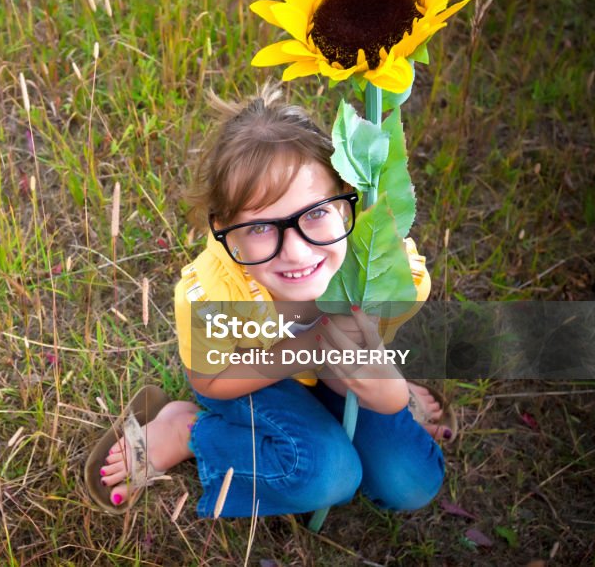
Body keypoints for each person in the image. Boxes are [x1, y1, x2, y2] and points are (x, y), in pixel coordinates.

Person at [95, 84, 450, 517]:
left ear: (345, 197)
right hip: (253, 376)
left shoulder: (386, 274)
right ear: (227, 230)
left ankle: (360, 402)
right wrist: (309, 347)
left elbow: (366, 358)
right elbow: (211, 379)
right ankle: (189, 431)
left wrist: (384, 386)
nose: (297, 253)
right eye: (261, 227)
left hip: (339, 372)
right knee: (326, 474)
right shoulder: (213, 296)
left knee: (412, 483)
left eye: (316, 213)